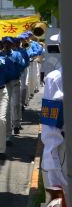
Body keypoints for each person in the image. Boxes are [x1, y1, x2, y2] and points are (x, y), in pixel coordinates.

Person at [40, 33, 64, 190]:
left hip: (64, 150)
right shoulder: (54, 79)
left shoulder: (54, 79)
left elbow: (50, 128)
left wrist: (50, 164)